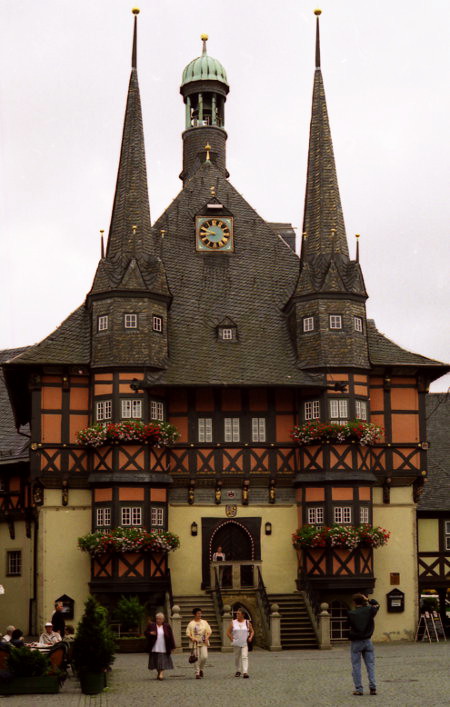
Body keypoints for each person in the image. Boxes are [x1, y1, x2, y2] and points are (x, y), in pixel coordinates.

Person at [347, 593, 379, 696]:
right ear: (363, 601)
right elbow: (377, 605)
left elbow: (348, 625)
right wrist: (368, 600)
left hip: (356, 641)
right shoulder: (369, 610)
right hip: (367, 640)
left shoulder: (351, 613)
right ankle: (373, 687)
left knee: (356, 666)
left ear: (354, 602)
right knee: (370, 665)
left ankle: (359, 689)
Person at [144, 612, 176, 680]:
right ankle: (159, 673)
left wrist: (173, 646)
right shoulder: (152, 625)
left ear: (163, 619)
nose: (158, 620)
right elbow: (145, 633)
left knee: (162, 661)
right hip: (154, 646)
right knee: (155, 661)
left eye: (160, 619)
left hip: (164, 646)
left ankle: (161, 673)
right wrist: (150, 633)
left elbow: (171, 636)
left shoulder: (167, 626)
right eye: (157, 619)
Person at [226, 607, 254, 679]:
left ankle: (245, 672)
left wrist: (250, 637)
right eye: (237, 613)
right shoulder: (233, 622)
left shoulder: (247, 622)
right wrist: (232, 639)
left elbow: (252, 631)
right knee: (237, 657)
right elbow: (228, 632)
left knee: (244, 656)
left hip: (244, 642)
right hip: (236, 643)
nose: (237, 615)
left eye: (238, 613)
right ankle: (238, 670)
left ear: (243, 615)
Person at [186, 608, 211, 679]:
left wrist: (207, 637)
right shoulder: (191, 623)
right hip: (195, 643)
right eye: (198, 613)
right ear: (194, 614)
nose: (200, 615)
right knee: (196, 658)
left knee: (204, 657)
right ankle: (197, 672)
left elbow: (209, 631)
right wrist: (192, 638)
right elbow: (187, 633)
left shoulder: (204, 622)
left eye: (200, 613)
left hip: (203, 642)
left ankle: (201, 669)